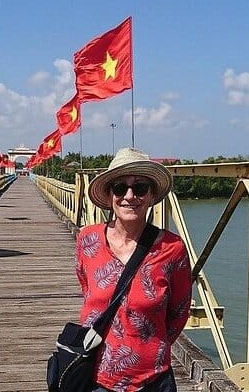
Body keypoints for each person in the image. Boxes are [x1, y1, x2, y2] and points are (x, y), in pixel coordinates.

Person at [75, 148, 192, 392]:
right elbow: (87, 291)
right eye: (120, 188)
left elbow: (179, 313)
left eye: (140, 188)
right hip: (96, 377)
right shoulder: (88, 240)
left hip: (153, 380)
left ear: (151, 196)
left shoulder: (172, 248)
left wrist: (149, 348)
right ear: (110, 195)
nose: (129, 196)